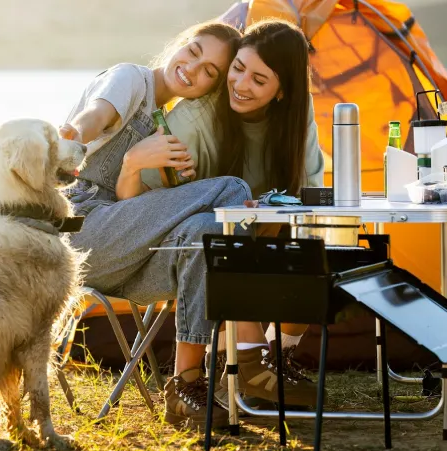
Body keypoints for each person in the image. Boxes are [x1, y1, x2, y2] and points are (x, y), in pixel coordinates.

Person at [118, 19, 327, 420]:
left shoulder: (298, 118)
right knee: (216, 233)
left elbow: (309, 195)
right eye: (238, 68)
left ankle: (272, 358)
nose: (241, 84)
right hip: (183, 247)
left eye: (259, 79)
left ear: (282, 92)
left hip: (248, 246)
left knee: (312, 241)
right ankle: (218, 370)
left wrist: (270, 209)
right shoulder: (194, 120)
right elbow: (142, 208)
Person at [59, 20, 251, 431]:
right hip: (78, 231)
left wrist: (139, 166)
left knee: (204, 232)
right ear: (180, 44)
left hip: (120, 260)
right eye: (194, 52)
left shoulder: (164, 123)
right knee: (233, 190)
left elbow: (127, 210)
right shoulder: (130, 78)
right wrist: (74, 132)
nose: (193, 69)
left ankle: (186, 386)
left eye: (209, 73)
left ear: (209, 90)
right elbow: (97, 114)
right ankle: (251, 356)